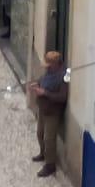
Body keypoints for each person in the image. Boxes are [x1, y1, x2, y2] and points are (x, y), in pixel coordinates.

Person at [29, 49, 68, 178]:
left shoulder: (63, 77)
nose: (48, 68)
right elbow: (43, 79)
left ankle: (50, 165)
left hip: (53, 112)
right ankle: (43, 153)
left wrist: (44, 93)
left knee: (49, 138)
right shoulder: (49, 72)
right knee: (40, 133)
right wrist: (38, 84)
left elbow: (62, 97)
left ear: (56, 64)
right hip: (43, 109)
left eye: (49, 66)